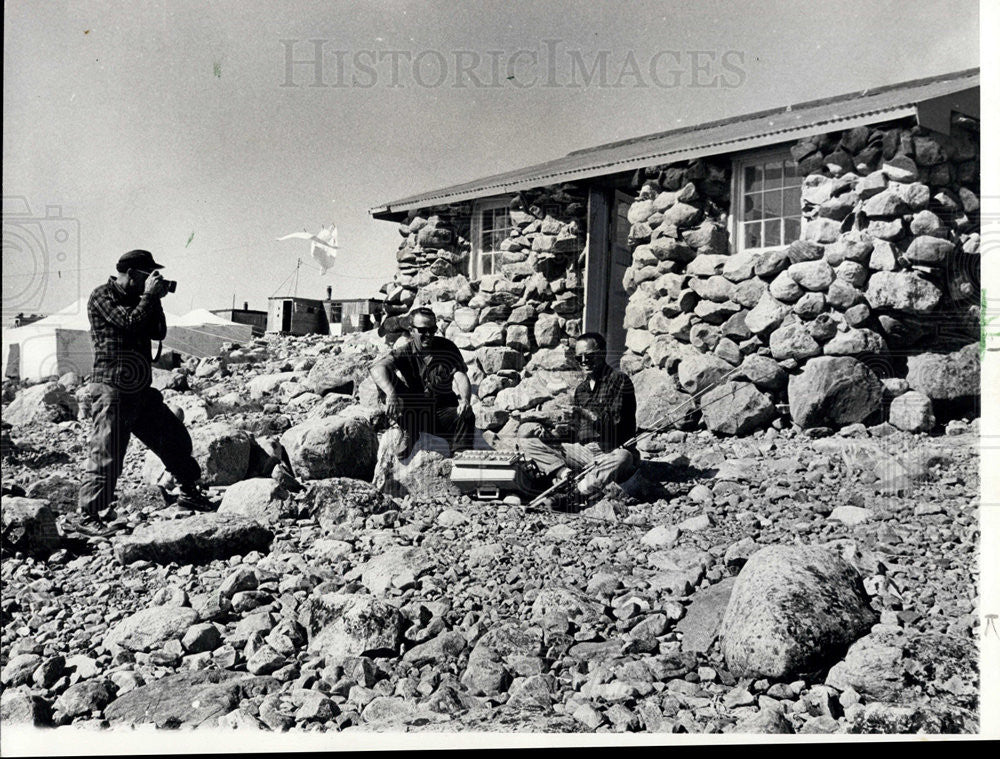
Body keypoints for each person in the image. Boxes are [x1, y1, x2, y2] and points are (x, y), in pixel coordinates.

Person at [69, 250, 212, 538]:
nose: (153, 281)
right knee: (107, 451)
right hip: (111, 388)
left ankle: (189, 490)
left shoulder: (142, 300)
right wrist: (148, 297)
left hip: (139, 388)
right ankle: (87, 514)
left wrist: (154, 300)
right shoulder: (101, 296)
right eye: (149, 275)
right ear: (133, 273)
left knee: (173, 436)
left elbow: (158, 332)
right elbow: (129, 322)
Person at [512, 332, 639, 508]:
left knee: (623, 458)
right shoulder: (581, 389)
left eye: (590, 356)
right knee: (528, 440)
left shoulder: (619, 380)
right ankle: (566, 475)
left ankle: (576, 492)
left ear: (602, 353)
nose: (584, 361)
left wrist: (583, 412)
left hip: (611, 450)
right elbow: (578, 432)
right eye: (579, 358)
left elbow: (614, 424)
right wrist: (557, 432)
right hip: (585, 452)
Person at [369, 307, 475, 461]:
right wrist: (391, 394)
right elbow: (377, 369)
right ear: (412, 331)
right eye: (423, 331)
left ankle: (460, 456)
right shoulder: (405, 351)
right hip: (414, 411)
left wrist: (465, 400)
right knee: (386, 379)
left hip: (442, 413)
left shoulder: (447, 348)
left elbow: (460, 376)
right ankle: (410, 430)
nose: (429, 335)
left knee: (466, 415)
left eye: (432, 330)